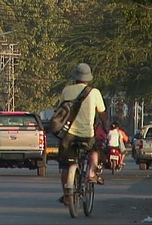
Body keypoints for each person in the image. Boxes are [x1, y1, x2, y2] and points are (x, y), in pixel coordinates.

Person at [57, 63, 109, 204]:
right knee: (93, 150)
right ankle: (92, 172)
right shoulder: (94, 92)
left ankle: (67, 195)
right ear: (88, 78)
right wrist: (106, 129)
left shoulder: (66, 90)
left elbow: (61, 109)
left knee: (65, 165)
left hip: (68, 134)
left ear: (75, 77)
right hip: (87, 133)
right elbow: (102, 114)